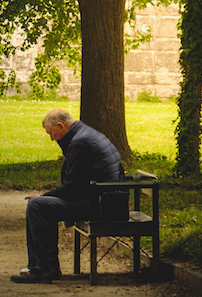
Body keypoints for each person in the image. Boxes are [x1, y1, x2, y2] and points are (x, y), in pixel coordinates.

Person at [11, 109, 122, 284]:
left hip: (100, 205)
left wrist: (42, 196)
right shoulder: (85, 134)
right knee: (41, 205)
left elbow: (71, 188)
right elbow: (75, 183)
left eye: (51, 133)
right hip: (107, 199)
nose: (51, 139)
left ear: (61, 126)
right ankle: (47, 267)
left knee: (37, 206)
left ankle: (42, 268)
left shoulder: (80, 143)